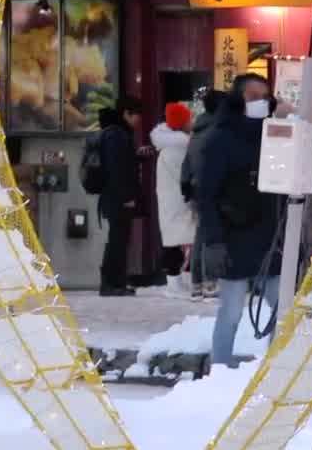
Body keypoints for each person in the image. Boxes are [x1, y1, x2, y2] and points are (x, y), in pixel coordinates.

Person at [196, 74, 282, 367]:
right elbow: (205, 193)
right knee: (232, 309)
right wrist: (214, 240)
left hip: (270, 233)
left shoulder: (276, 134)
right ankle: (220, 369)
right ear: (238, 99)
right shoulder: (220, 137)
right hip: (233, 233)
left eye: (265, 95)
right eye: (252, 95)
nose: (260, 101)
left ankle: (273, 369)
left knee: (282, 307)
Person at [96, 98, 144, 296]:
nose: (138, 121)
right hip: (117, 198)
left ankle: (115, 282)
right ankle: (111, 284)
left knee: (118, 240)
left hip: (113, 197)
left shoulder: (117, 134)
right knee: (117, 241)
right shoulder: (116, 135)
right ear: (126, 113)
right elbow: (116, 169)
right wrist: (126, 197)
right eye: (136, 116)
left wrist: (137, 155)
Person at [182, 89, 226, 299]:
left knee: (201, 235)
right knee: (212, 236)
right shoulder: (217, 130)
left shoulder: (198, 130)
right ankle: (210, 282)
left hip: (197, 187)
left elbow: (187, 162)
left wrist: (186, 186)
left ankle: (197, 283)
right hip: (213, 188)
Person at [152, 102, 197, 298]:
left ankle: (176, 282)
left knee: (176, 240)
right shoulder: (179, 148)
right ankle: (174, 284)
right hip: (179, 201)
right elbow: (188, 175)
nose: (191, 122)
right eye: (188, 119)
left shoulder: (169, 147)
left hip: (172, 200)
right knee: (178, 241)